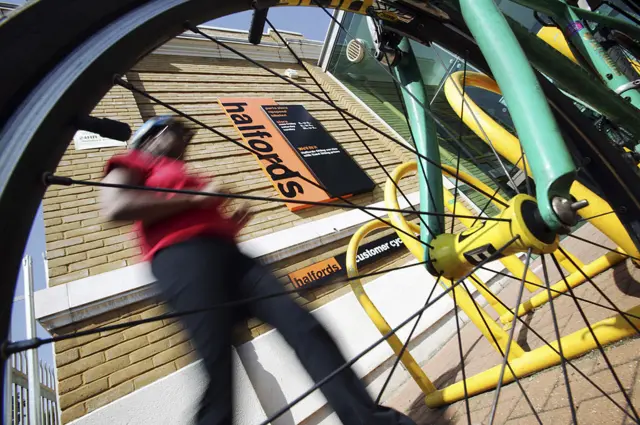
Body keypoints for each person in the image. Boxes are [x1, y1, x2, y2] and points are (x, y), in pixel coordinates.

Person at [100, 115, 417, 425]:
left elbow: (196, 215)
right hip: (182, 261)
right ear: (151, 137)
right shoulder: (132, 162)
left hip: (232, 258)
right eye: (177, 132)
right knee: (219, 371)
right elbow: (115, 206)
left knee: (304, 327)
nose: (184, 142)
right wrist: (196, 198)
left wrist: (229, 222)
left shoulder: (181, 171)